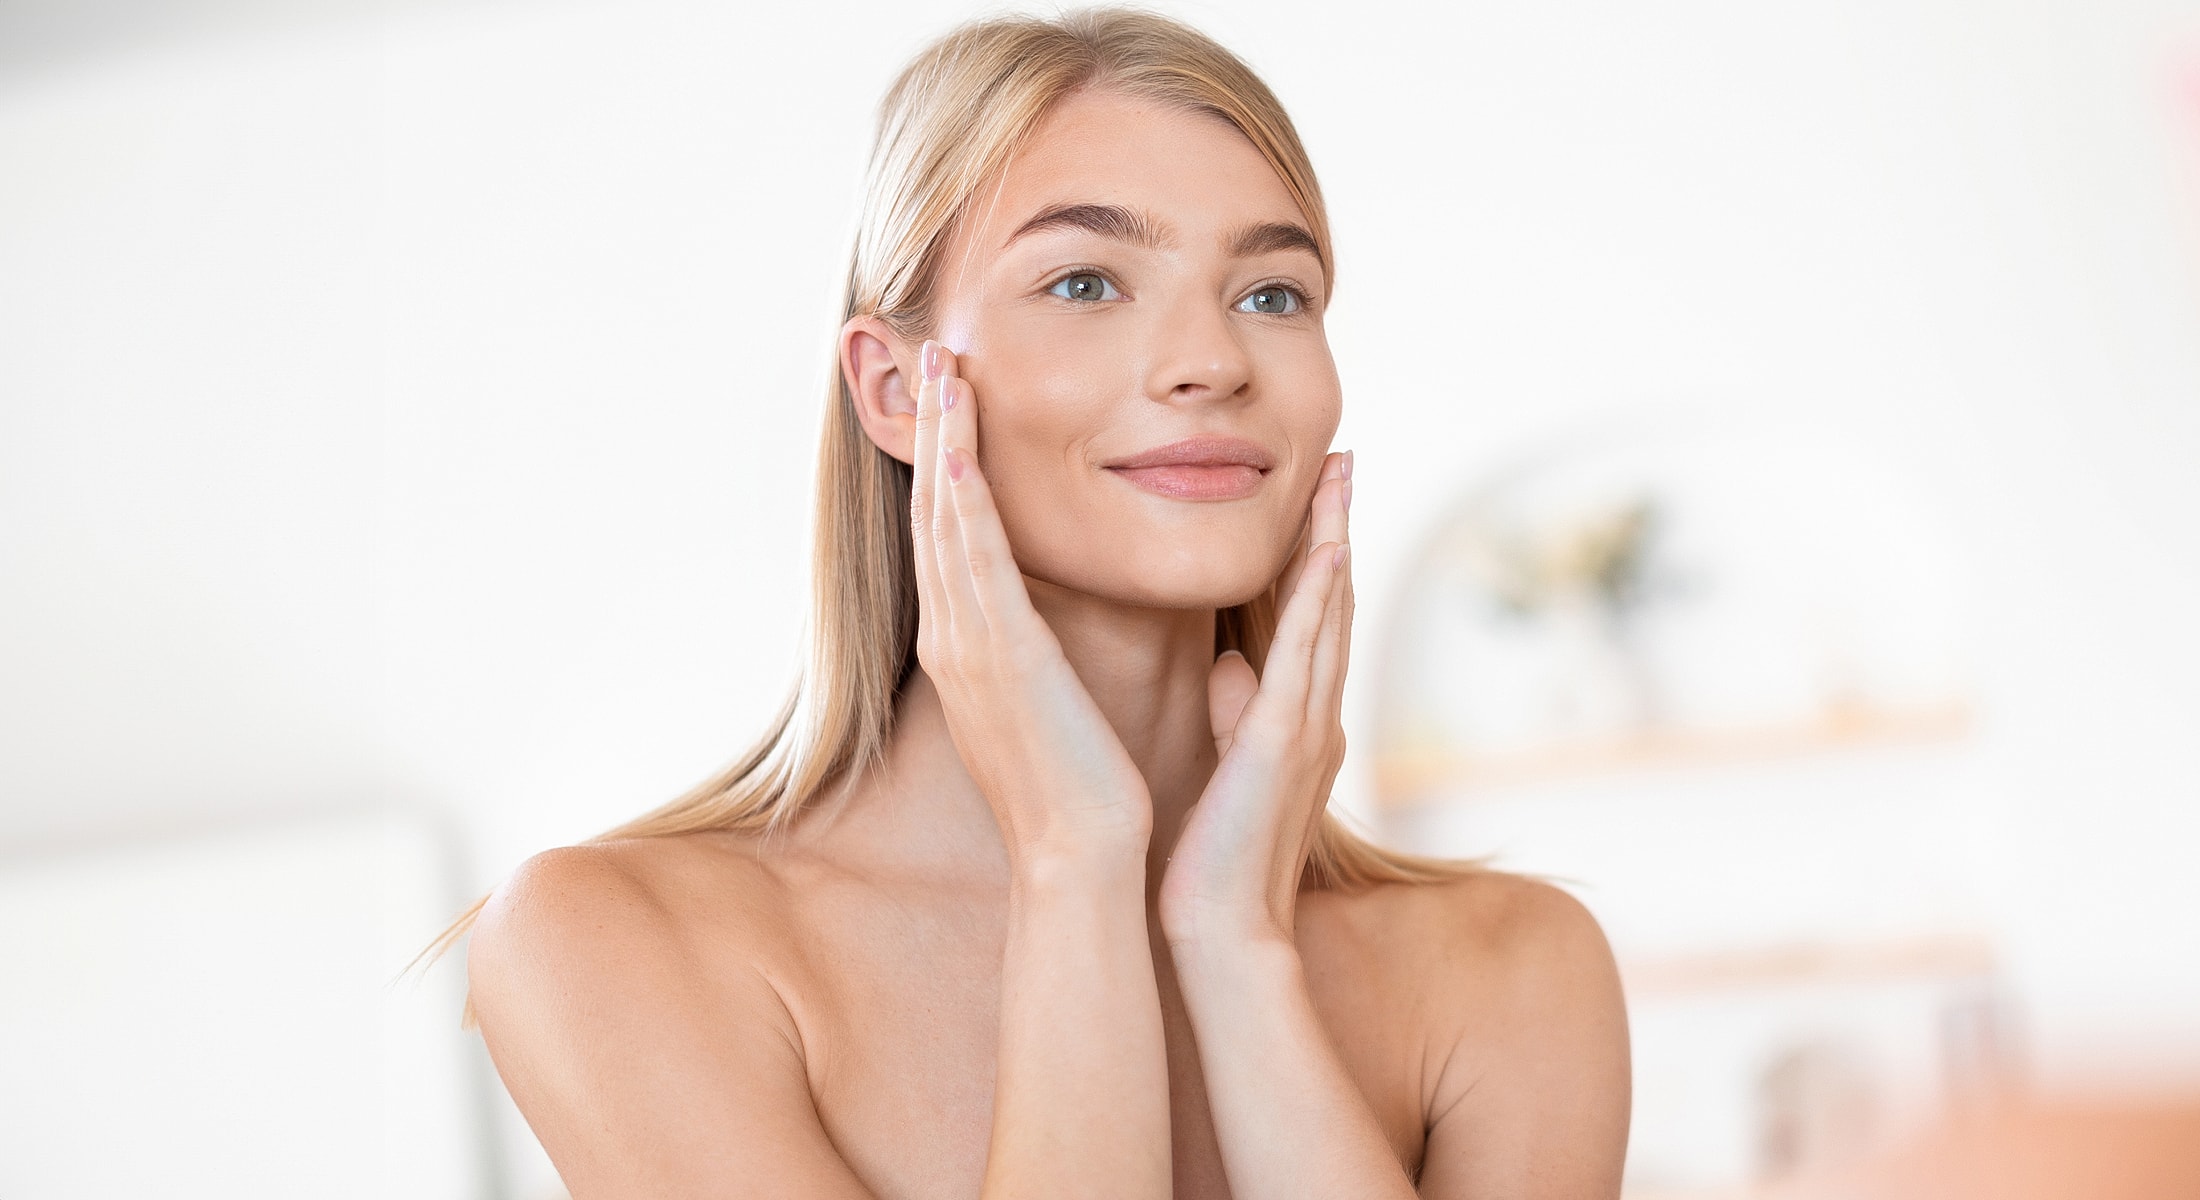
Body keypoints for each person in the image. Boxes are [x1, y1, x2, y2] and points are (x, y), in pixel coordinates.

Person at [445, 9, 1631, 1197]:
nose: (1210, 359)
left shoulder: (1513, 968)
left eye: (1272, 294)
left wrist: (1236, 947)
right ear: (899, 388)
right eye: (1084, 281)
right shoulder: (616, 943)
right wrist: (1075, 862)